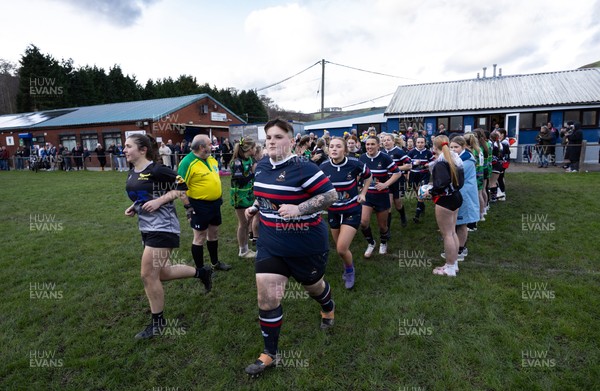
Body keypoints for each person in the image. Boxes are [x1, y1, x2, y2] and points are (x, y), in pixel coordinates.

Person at [243, 119, 337, 376]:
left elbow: (330, 196)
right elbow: (264, 194)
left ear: (292, 141)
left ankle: (328, 308)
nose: (271, 141)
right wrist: (256, 206)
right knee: (267, 297)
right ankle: (269, 353)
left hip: (305, 244)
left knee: (314, 287)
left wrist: (299, 208)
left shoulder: (304, 167)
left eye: (277, 136)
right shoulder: (261, 166)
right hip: (271, 243)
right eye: (268, 137)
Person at [123, 133, 212, 339]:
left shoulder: (157, 169)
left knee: (147, 274)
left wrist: (160, 201)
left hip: (163, 227)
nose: (124, 150)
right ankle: (202, 273)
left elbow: (182, 187)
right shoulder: (132, 172)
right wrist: (135, 206)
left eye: (128, 146)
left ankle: (158, 322)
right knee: (161, 273)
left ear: (143, 150)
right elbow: (144, 195)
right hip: (146, 227)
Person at [320, 137, 372, 289]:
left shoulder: (354, 163)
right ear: (328, 150)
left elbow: (369, 176)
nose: (334, 149)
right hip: (333, 212)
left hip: (351, 210)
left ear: (345, 150)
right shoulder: (323, 166)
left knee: (341, 248)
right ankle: (347, 263)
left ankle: (349, 271)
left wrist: (363, 193)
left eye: (338, 146)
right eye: (331, 146)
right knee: (341, 250)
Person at [178, 134, 232, 273]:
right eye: (210, 144)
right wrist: (188, 207)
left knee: (214, 233)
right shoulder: (187, 162)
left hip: (215, 204)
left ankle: (215, 263)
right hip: (198, 205)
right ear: (201, 147)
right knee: (200, 236)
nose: (212, 146)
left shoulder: (211, 159)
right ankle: (200, 270)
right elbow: (179, 189)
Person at [422, 135, 464, 277]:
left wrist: (430, 191)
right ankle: (453, 263)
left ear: (434, 147)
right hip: (456, 196)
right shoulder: (455, 159)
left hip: (445, 200)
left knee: (447, 234)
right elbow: (459, 182)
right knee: (452, 232)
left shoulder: (441, 163)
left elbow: (442, 183)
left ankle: (450, 267)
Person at [359, 135, 402, 257]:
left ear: (378, 145)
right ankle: (371, 243)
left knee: (383, 226)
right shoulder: (362, 158)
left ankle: (383, 242)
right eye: (367, 144)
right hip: (367, 196)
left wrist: (385, 184)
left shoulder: (385, 158)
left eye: (372, 144)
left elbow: (397, 173)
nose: (369, 147)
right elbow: (358, 174)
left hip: (382, 196)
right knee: (363, 222)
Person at [449, 136, 479, 261]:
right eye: (451, 147)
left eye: (456, 147)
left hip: (464, 195)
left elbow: (453, 176)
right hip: (459, 193)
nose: (453, 149)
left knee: (462, 223)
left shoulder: (465, 160)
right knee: (456, 223)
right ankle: (458, 247)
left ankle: (461, 250)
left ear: (463, 147)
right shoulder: (459, 157)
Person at [230, 137, 257, 258]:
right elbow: (240, 181)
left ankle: (246, 248)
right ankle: (243, 251)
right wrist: (253, 173)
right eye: (254, 147)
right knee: (243, 223)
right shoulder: (237, 162)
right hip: (239, 197)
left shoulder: (250, 159)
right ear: (249, 149)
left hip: (248, 195)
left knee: (247, 222)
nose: (256, 149)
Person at [381, 133, 411, 229]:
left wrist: (394, 168)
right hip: (386, 181)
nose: (386, 142)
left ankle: (402, 216)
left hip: (398, 181)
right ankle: (387, 229)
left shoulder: (399, 151)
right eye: (384, 140)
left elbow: (409, 165)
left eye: (388, 140)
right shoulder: (381, 153)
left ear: (393, 141)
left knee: (398, 204)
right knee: (388, 206)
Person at [407, 136, 434, 223]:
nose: (420, 144)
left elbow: (433, 162)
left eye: (422, 142)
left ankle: (417, 215)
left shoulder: (428, 152)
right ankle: (422, 206)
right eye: (418, 142)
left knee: (421, 191)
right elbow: (406, 163)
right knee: (416, 192)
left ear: (425, 143)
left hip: (424, 174)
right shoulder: (411, 152)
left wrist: (428, 164)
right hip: (414, 174)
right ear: (415, 143)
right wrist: (414, 163)